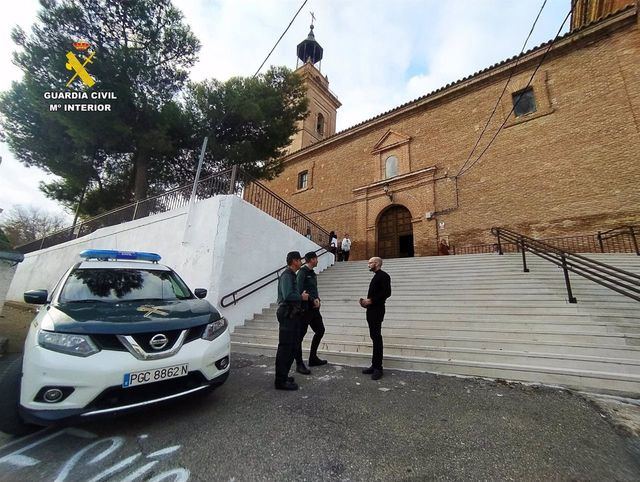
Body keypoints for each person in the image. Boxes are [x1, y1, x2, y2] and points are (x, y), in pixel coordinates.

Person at [274, 251, 309, 390]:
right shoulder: (287, 275)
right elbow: (288, 295)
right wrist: (301, 297)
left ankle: (283, 375)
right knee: (286, 347)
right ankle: (280, 381)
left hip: (292, 314)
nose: (301, 262)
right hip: (287, 313)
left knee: (292, 346)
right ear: (294, 261)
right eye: (299, 260)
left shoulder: (291, 275)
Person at [295, 251, 327, 372]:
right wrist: (313, 299)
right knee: (299, 337)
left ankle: (313, 358)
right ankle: (299, 364)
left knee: (320, 330)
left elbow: (313, 289)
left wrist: (318, 299)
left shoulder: (312, 273)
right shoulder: (302, 272)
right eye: (316, 259)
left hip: (314, 310)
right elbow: (299, 290)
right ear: (312, 259)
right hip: (304, 310)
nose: (318, 261)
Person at [360, 257, 391, 380]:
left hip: (377, 311)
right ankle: (374, 365)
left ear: (377, 264)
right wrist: (366, 303)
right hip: (372, 310)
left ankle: (378, 367)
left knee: (377, 337)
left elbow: (387, 293)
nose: (368, 265)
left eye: (370, 263)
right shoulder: (376, 276)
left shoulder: (383, 276)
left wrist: (371, 300)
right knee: (374, 337)